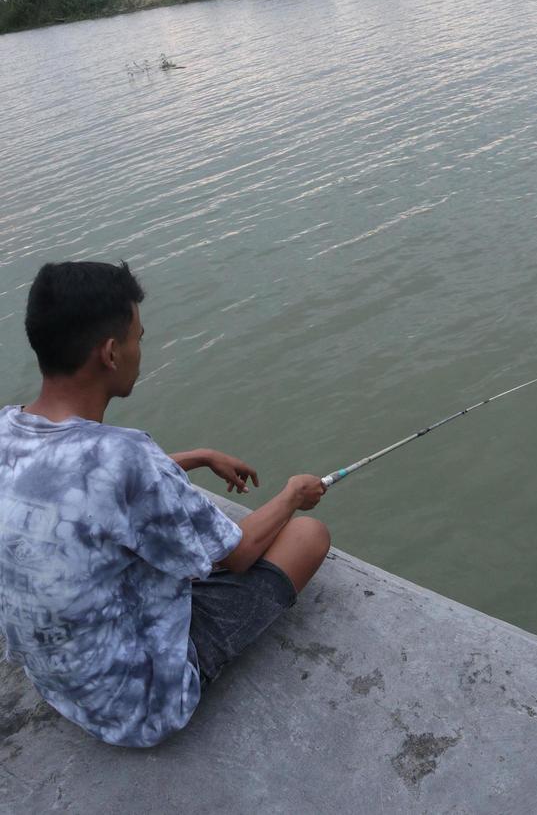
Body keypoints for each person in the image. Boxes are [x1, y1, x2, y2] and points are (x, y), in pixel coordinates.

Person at [0, 261, 330, 748]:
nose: (139, 349)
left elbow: (76, 483)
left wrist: (194, 457)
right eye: (137, 337)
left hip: (59, 684)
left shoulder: (9, 429)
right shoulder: (128, 455)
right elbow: (235, 555)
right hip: (138, 704)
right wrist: (292, 495)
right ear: (111, 353)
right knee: (307, 536)